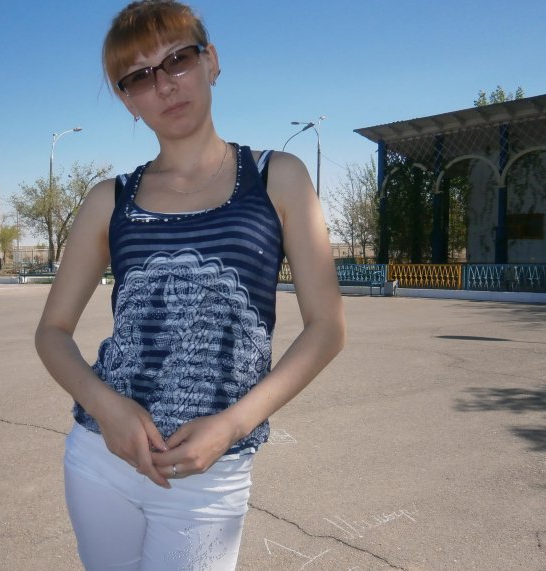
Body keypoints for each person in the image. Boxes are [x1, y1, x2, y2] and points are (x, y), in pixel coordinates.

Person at [35, 1, 345, 569]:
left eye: (177, 59)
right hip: (103, 459)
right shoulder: (109, 199)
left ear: (211, 61)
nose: (164, 85)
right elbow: (52, 332)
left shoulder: (277, 178)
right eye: (139, 76)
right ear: (128, 100)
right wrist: (107, 408)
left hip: (211, 474)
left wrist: (231, 426)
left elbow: (327, 328)